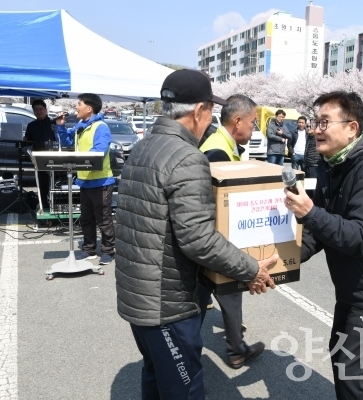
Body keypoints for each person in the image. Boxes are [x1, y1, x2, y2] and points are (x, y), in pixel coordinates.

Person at [114, 69, 278, 400]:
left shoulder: (144, 147)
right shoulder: (186, 157)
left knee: (154, 376)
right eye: (211, 111)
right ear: (199, 110)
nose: (211, 119)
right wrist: (251, 269)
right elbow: (198, 239)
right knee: (184, 389)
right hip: (167, 303)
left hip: (137, 293)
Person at [283, 91, 363, 400]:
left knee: (355, 380)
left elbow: (362, 236)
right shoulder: (335, 165)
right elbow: (322, 230)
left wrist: (309, 213)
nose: (316, 129)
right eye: (315, 122)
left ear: (352, 127)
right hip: (353, 290)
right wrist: (278, 262)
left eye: (324, 122)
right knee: (344, 364)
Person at [197, 94, 265, 369]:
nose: (254, 128)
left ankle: (231, 346)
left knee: (204, 294)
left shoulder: (222, 144)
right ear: (237, 121)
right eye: (252, 123)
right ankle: (235, 350)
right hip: (215, 240)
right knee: (227, 291)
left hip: (208, 240)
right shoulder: (218, 152)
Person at [55, 93, 116, 266]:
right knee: (86, 218)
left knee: (104, 220)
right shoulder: (81, 126)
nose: (76, 107)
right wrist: (60, 126)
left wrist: (78, 159)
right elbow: (66, 141)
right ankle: (89, 249)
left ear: (89, 108)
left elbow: (100, 150)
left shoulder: (101, 127)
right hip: (84, 181)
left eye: (79, 104)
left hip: (101, 182)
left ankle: (108, 251)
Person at [25, 99, 55, 208]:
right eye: (36, 110)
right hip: (39, 159)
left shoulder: (54, 123)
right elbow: (27, 141)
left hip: (54, 158)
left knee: (54, 183)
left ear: (46, 110)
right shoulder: (31, 125)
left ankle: (55, 205)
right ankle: (44, 205)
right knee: (42, 184)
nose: (39, 112)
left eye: (41, 109)